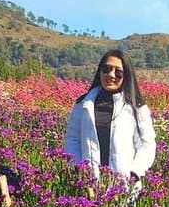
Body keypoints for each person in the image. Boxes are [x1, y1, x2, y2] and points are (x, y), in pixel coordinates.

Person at [64, 49, 157, 192]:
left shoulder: (137, 107)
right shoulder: (83, 104)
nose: (111, 75)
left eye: (118, 72)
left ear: (126, 75)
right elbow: (73, 139)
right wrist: (78, 168)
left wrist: (135, 172)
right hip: (88, 185)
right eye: (106, 69)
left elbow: (147, 144)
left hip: (124, 185)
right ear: (100, 71)